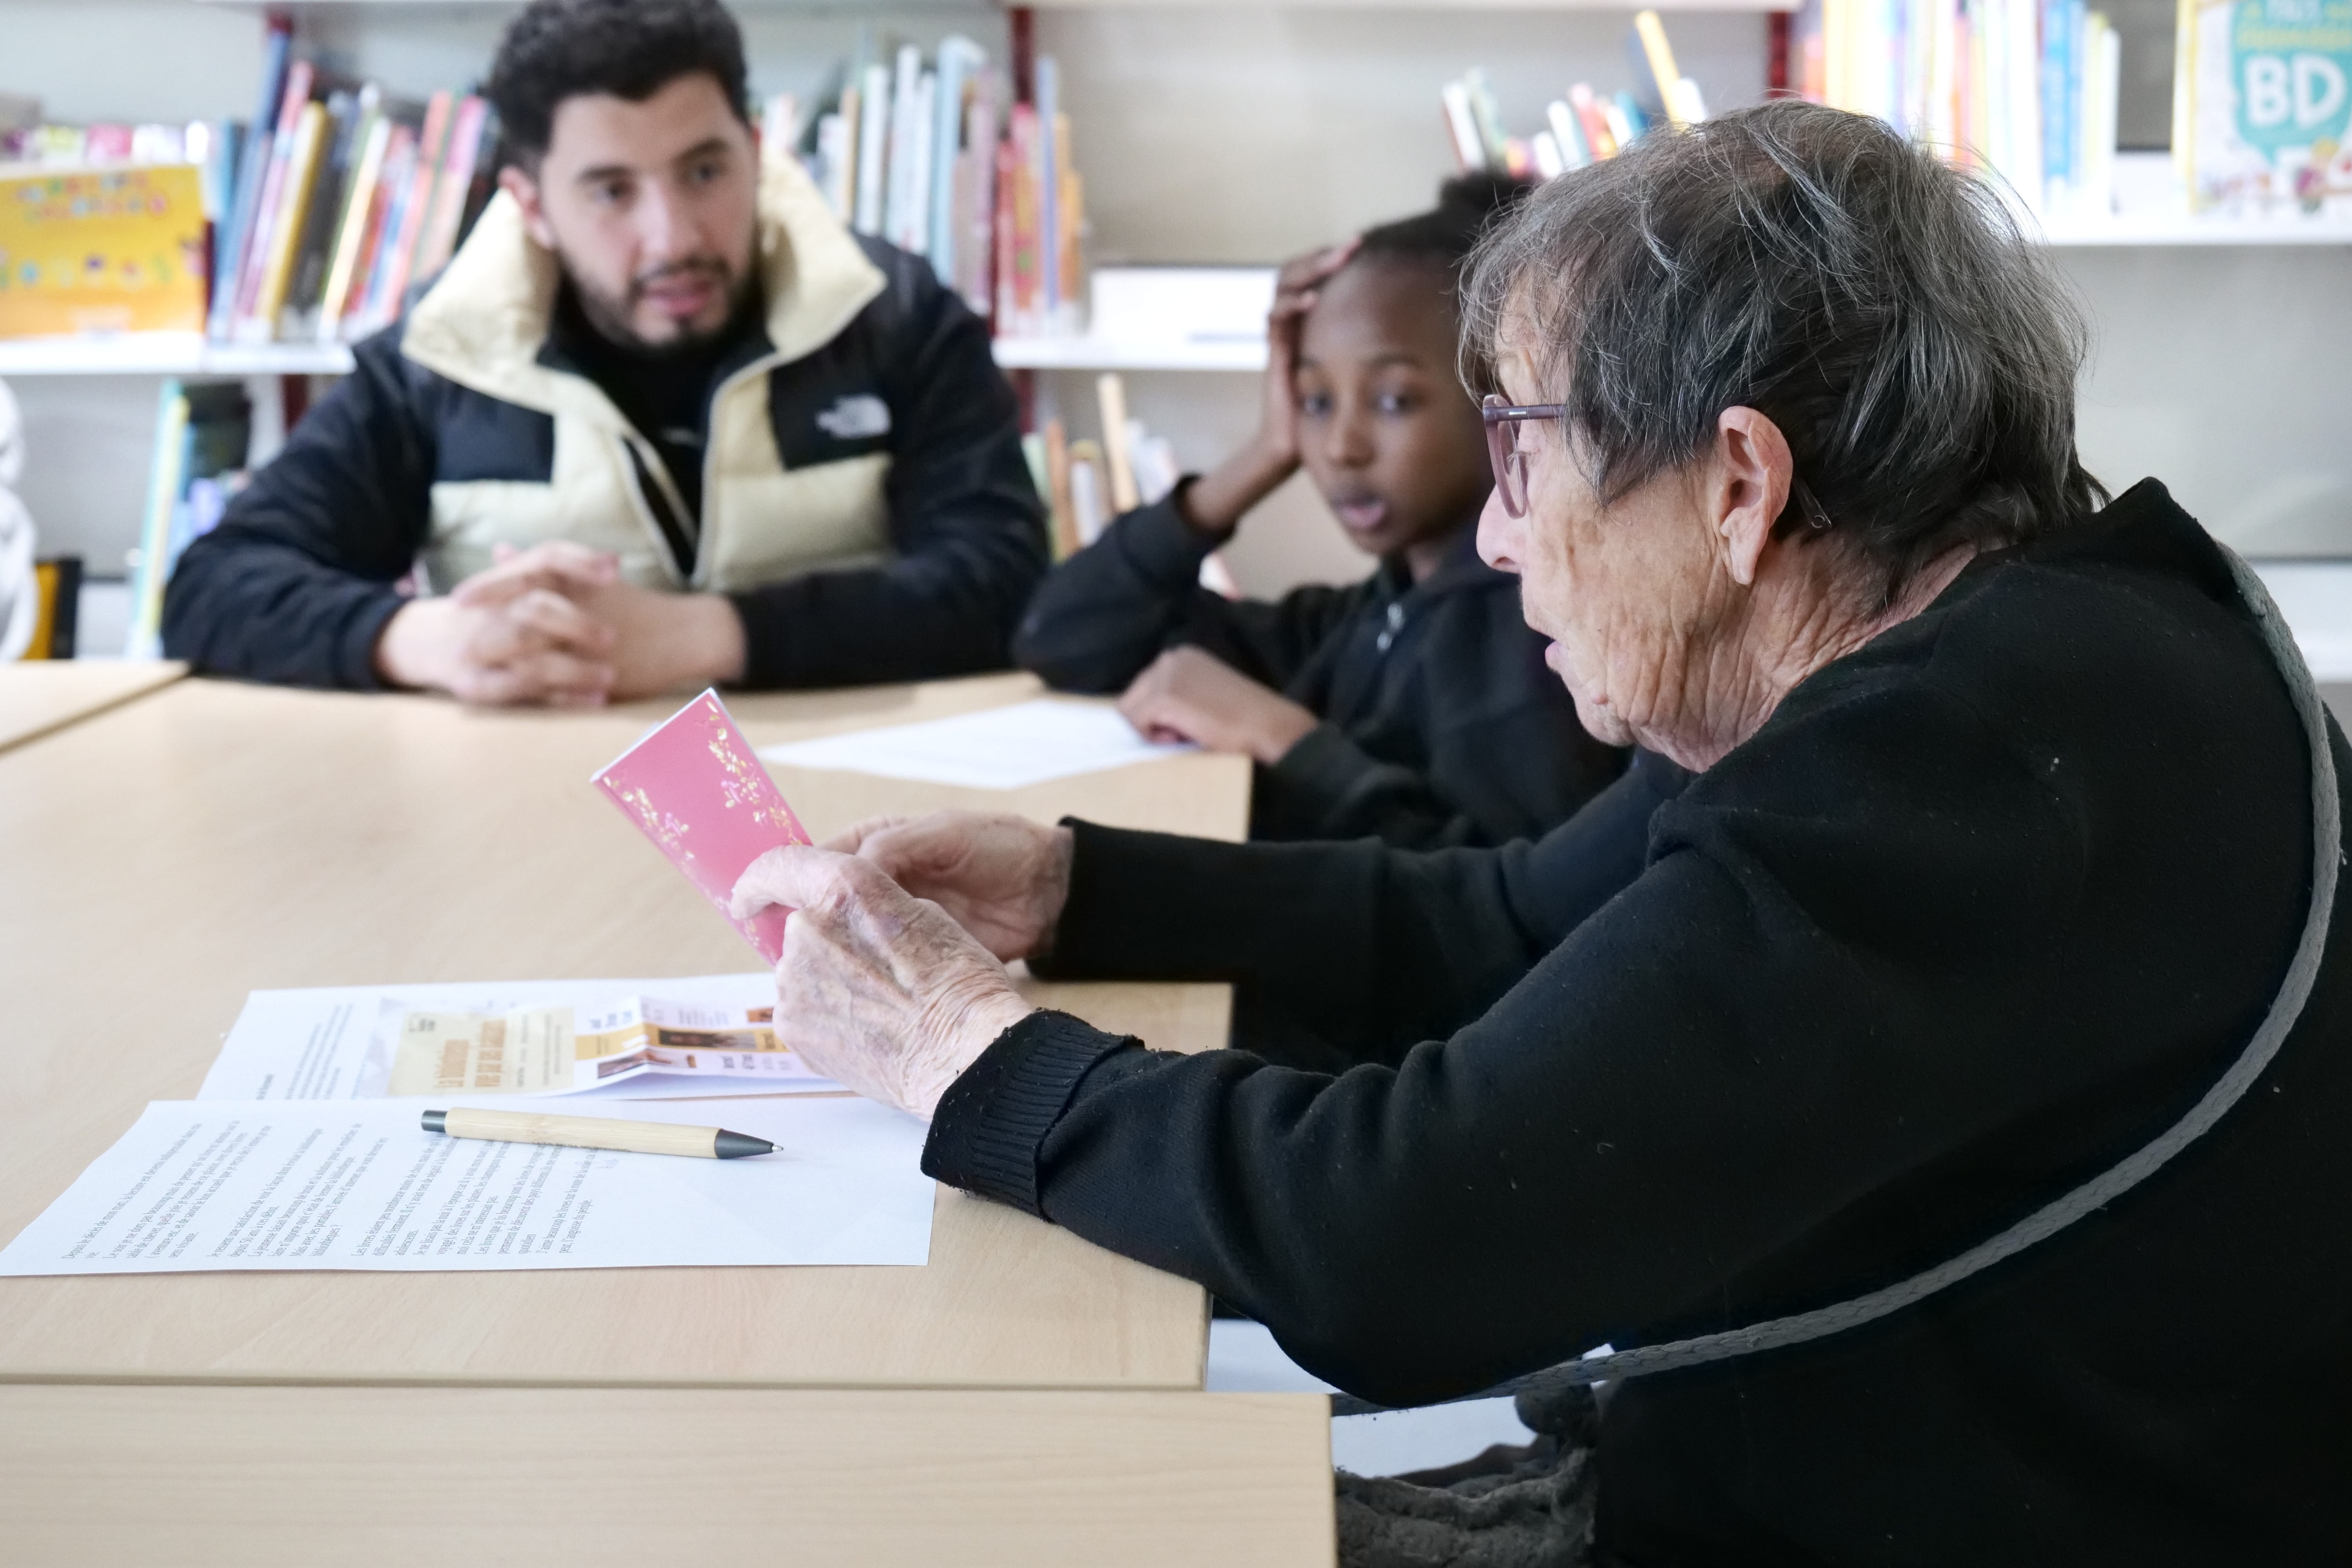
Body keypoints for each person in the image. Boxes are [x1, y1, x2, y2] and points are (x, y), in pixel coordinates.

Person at [729, 103, 2352, 1565]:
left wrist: (960, 1054)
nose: (1499, 536)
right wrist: (1083, 882)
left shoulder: (1961, 771)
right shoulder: (1948, 654)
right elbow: (1507, 920)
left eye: (1522, 445)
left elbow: (1394, 1249)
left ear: (1738, 484)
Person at [162, 0, 1045, 705]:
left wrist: (705, 636)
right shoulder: (437, 357)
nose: (673, 238)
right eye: (612, 192)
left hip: (862, 812)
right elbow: (214, 589)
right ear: (530, 203)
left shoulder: (896, 313)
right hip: (534, 816)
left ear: (757, 149)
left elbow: (1009, 583)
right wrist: (435, 640)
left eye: (705, 171)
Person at [1014, 177, 1626, 846]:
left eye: (1393, 401)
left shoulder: (1522, 648)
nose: (1340, 448)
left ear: (1507, 401)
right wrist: (1265, 453)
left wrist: (1287, 741)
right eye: (1315, 401)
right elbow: (1062, 637)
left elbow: (1512, 910)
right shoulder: (1380, 611)